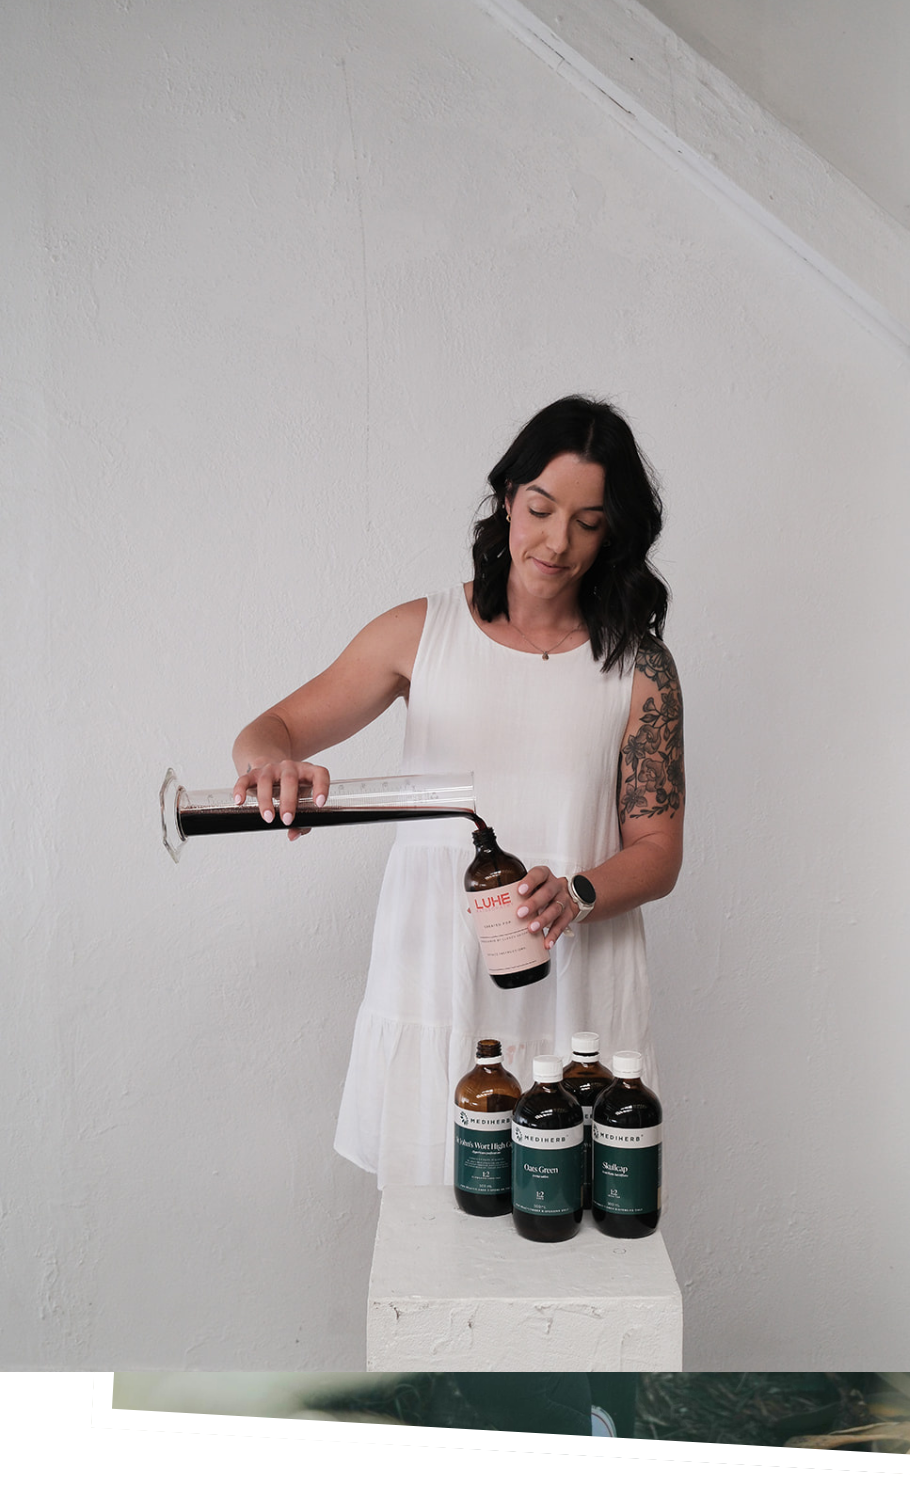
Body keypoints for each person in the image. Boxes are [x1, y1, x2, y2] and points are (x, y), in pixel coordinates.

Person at [231, 394, 685, 1188]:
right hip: (436, 976)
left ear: (612, 531)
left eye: (587, 522)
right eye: (540, 509)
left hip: (575, 992)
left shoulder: (637, 667)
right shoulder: (419, 631)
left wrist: (578, 892)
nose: (556, 541)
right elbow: (272, 729)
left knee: (572, 1221)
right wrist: (274, 764)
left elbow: (657, 853)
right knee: (430, 1220)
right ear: (507, 498)